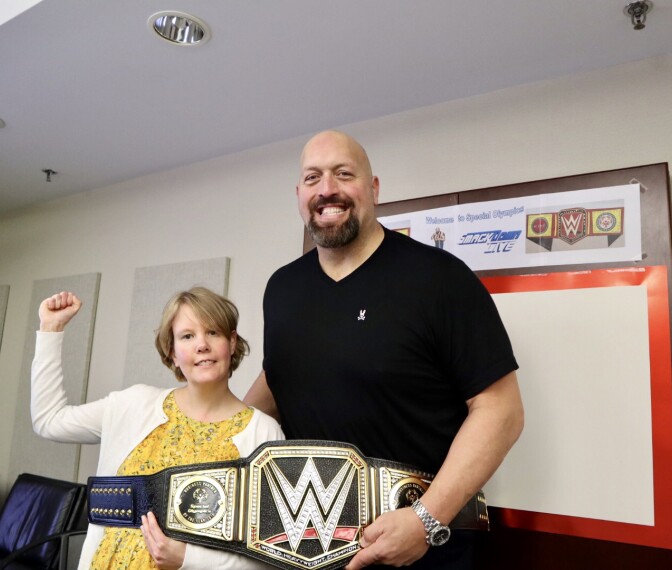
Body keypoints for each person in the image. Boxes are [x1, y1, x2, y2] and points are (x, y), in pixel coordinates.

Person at [245, 130, 524, 569]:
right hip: (306, 544)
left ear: (373, 188)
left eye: (343, 174)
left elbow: (501, 411)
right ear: (299, 194)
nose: (327, 189)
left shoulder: (439, 278)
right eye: (313, 178)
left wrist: (425, 520)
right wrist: (205, 432)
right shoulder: (281, 288)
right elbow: (279, 378)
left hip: (424, 545)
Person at [32, 288, 283, 570]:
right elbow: (49, 420)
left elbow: (272, 557)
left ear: (232, 342)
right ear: (172, 352)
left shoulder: (263, 433)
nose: (202, 345)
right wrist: (50, 329)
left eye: (213, 332)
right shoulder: (133, 405)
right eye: (187, 336)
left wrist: (188, 559)